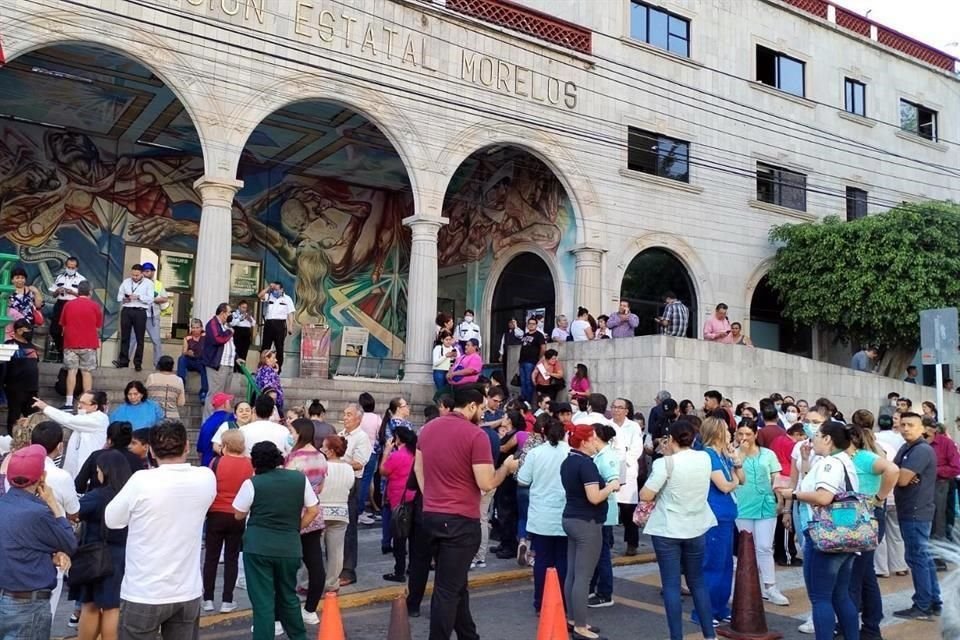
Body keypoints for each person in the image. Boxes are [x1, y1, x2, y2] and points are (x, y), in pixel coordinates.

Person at [414, 386, 519, 640]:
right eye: (482, 408)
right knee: (447, 590)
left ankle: (468, 635)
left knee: (456, 583)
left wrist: (432, 497)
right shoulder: (476, 435)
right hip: (460, 520)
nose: (482, 414)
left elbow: (419, 468)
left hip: (431, 515)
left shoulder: (427, 429)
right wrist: (506, 468)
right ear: (471, 406)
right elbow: (485, 482)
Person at [104, 420, 216, 640]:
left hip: (144, 592)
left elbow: (112, 519)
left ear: (151, 451)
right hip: (187, 591)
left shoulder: (142, 480)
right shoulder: (206, 477)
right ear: (186, 446)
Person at [776, 421, 860, 640]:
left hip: (825, 536)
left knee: (820, 597)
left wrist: (792, 495)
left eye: (816, 435)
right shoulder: (845, 461)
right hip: (847, 534)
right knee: (840, 596)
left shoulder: (829, 463)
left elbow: (823, 496)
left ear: (827, 439)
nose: (811, 440)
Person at [233, 442, 318, 640]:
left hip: (258, 547)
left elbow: (238, 514)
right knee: (288, 596)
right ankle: (299, 637)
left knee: (263, 602)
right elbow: (313, 510)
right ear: (279, 457)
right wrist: (295, 528)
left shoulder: (253, 483)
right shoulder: (299, 479)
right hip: (289, 546)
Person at [640, 421, 718, 640]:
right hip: (697, 525)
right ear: (693, 439)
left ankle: (677, 637)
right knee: (697, 581)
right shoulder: (704, 458)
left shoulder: (665, 464)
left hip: (668, 528)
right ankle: (709, 635)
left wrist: (665, 456)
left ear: (670, 439)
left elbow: (646, 494)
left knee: (671, 584)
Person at [0, 444, 77, 640]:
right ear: (41, 477)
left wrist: (51, 555)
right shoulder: (38, 512)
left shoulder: (6, 505)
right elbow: (69, 543)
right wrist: (53, 504)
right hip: (26, 605)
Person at [561, 425, 620, 640]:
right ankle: (581, 627)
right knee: (583, 577)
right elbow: (594, 497)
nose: (597, 443)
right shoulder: (586, 465)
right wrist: (611, 486)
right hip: (587, 522)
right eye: (594, 438)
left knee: (573, 574)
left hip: (570, 518)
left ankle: (572, 619)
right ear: (584, 442)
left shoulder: (568, 461)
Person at [844, 424, 899, 640]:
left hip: (866, 521)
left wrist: (879, 498)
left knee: (855, 577)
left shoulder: (863, 457)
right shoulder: (854, 458)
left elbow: (893, 470)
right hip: (862, 521)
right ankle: (870, 628)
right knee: (866, 576)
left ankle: (857, 628)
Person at [74, 450, 133, 640]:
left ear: (104, 471)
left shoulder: (97, 496)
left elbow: (74, 512)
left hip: (96, 555)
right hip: (124, 554)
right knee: (112, 606)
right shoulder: (130, 494)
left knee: (90, 604)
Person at [891, 412, 942, 620]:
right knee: (923, 558)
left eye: (911, 425)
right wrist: (900, 474)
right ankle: (932, 600)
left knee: (917, 558)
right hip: (910, 510)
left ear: (922, 429)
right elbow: (895, 471)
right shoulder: (906, 448)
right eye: (903, 424)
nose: (905, 428)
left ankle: (922, 605)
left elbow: (900, 479)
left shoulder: (920, 450)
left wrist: (901, 475)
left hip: (915, 511)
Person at [734, 419, 789, 605]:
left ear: (755, 435)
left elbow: (777, 477)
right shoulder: (734, 454)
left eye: (748, 434)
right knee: (746, 548)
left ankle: (770, 586)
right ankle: (746, 586)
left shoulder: (768, 454)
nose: (744, 438)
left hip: (766, 505)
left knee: (764, 546)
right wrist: (738, 456)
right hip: (743, 506)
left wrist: (781, 501)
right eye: (740, 434)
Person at [517, 417, 569, 611]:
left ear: (543, 434)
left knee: (542, 560)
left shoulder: (535, 453)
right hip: (564, 514)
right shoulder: (571, 453)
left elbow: (523, 480)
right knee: (563, 559)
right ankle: (561, 602)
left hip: (541, 514)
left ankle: (540, 602)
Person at [283, 419, 328, 625]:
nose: (290, 434)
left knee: (289, 566)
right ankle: (310, 609)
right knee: (315, 563)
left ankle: (285, 609)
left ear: (300, 433)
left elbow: (288, 487)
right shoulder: (321, 457)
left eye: (292, 430)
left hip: (295, 514)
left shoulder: (294, 459)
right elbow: (320, 488)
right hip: (315, 513)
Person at [202, 429, 252, 615]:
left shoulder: (215, 462)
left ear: (224, 445)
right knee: (231, 558)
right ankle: (227, 600)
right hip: (237, 514)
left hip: (216, 514)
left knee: (211, 558)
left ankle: (207, 598)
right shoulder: (249, 464)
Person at [697, 417, 740, 627]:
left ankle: (721, 607)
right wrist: (735, 480)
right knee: (713, 564)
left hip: (727, 515)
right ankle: (704, 611)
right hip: (715, 515)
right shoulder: (708, 454)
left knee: (725, 564)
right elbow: (724, 485)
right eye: (726, 430)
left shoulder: (723, 454)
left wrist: (736, 462)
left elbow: (741, 479)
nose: (731, 433)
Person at [36, 391, 109, 478]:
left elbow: (68, 420)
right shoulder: (82, 418)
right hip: (74, 471)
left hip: (89, 473)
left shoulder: (100, 419)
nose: (79, 406)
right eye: (79, 402)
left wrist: (46, 408)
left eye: (83, 403)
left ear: (94, 407)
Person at [338, 402, 372, 587]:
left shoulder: (361, 438)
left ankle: (348, 570)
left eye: (349, 414)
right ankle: (337, 565)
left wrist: (339, 462)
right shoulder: (341, 435)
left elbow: (359, 463)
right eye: (345, 414)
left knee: (349, 527)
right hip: (337, 481)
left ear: (358, 418)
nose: (345, 417)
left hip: (352, 482)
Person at [316, 435, 354, 594]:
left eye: (324, 447)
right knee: (337, 552)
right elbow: (350, 486)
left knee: (314, 550)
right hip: (341, 512)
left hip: (320, 511)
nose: (321, 449)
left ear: (330, 451)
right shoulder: (349, 468)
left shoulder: (322, 467)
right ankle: (332, 583)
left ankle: (310, 582)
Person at [587, 424, 619, 609]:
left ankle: (605, 593)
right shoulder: (600, 455)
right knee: (597, 553)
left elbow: (613, 482)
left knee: (602, 554)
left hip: (605, 511)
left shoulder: (607, 457)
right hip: (600, 510)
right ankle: (593, 588)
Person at [380, 425, 417, 582]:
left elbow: (383, 471)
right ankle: (412, 568)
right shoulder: (416, 454)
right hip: (415, 498)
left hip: (399, 500)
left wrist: (386, 452)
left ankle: (399, 571)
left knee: (400, 538)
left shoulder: (397, 456)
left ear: (398, 439)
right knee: (414, 538)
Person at [59, 280, 102, 408]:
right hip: (88, 343)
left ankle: (68, 401)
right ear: (90, 291)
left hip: (70, 343)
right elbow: (97, 327)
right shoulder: (95, 306)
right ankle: (86, 401)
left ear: (78, 291)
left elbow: (63, 325)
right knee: (86, 372)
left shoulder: (68, 305)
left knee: (71, 371)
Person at [74, 422, 145, 493]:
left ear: (109, 440)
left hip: (97, 501)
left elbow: (78, 485)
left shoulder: (96, 456)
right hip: (126, 502)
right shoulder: (136, 459)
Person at [112, 264, 153, 371]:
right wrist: (125, 298)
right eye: (133, 275)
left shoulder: (148, 283)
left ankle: (138, 362)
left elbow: (150, 299)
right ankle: (123, 361)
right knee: (125, 337)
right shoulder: (126, 282)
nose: (134, 277)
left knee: (140, 338)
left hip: (140, 311)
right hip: (127, 310)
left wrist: (139, 297)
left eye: (137, 275)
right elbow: (119, 296)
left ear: (142, 273)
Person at [2, 318, 40, 432]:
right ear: (18, 331)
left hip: (32, 388)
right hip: (15, 388)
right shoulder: (9, 345)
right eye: (27, 330)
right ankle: (11, 439)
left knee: (33, 418)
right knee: (14, 417)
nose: (30, 333)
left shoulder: (31, 346)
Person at [201, 303, 236, 421]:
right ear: (222, 313)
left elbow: (229, 345)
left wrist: (237, 357)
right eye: (229, 312)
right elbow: (218, 339)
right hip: (217, 364)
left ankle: (222, 421)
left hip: (228, 363)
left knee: (225, 396)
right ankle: (208, 422)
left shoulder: (225, 326)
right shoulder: (212, 324)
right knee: (215, 394)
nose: (231, 315)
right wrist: (230, 332)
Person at [48, 256, 86, 359]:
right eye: (69, 267)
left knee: (71, 330)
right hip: (60, 303)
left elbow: (84, 296)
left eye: (72, 268)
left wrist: (72, 292)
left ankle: (68, 353)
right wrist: (58, 291)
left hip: (73, 305)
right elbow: (53, 294)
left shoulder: (81, 279)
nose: (70, 269)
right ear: (66, 266)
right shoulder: (60, 277)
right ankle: (61, 350)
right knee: (55, 330)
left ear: (76, 268)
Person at [135, 263, 169, 369]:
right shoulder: (137, 283)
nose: (145, 273)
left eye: (148, 271)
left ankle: (158, 365)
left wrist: (152, 299)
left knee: (156, 341)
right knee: (132, 340)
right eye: (144, 271)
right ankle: (125, 362)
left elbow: (165, 298)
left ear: (153, 272)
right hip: (139, 315)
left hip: (153, 316)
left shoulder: (158, 284)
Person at [259, 282, 296, 373]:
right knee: (265, 347)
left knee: (279, 347)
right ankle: (263, 367)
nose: (275, 291)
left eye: (277, 289)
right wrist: (268, 287)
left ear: (282, 289)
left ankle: (277, 369)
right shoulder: (270, 296)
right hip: (269, 324)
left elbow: (290, 314)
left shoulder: (287, 299)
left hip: (280, 324)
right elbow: (260, 295)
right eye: (274, 289)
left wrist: (290, 326)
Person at [5, 266, 43, 339]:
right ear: (12, 280)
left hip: (27, 324)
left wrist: (37, 292)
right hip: (11, 323)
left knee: (25, 345)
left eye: (22, 278)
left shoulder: (30, 290)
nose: (20, 280)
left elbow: (38, 305)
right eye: (17, 277)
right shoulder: (7, 291)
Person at [176, 318, 208, 402]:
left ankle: (204, 392)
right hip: (191, 360)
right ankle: (181, 383)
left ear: (201, 328)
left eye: (197, 327)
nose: (195, 330)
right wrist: (187, 353)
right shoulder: (187, 338)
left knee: (205, 366)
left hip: (201, 361)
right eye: (193, 327)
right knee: (182, 359)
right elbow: (184, 352)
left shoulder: (206, 336)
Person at [146, 356, 186, 420]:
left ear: (159, 365)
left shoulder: (151, 377)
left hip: (153, 417)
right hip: (172, 418)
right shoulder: (179, 380)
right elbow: (181, 403)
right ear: (172, 366)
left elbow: (146, 397)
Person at [517, 316, 546, 404]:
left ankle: (528, 401)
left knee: (529, 381)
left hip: (531, 361)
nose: (531, 325)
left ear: (536, 325)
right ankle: (523, 400)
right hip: (522, 361)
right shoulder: (525, 335)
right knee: (522, 382)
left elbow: (543, 348)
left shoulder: (539, 335)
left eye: (533, 324)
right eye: (530, 324)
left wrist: (539, 359)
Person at [229, 300, 255, 372]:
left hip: (246, 336)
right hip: (237, 334)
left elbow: (253, 324)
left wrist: (249, 319)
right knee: (236, 352)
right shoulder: (234, 314)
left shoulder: (247, 315)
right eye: (243, 307)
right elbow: (232, 323)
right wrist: (241, 319)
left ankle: (242, 370)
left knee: (244, 353)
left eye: (246, 308)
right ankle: (234, 370)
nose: (244, 309)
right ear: (239, 307)